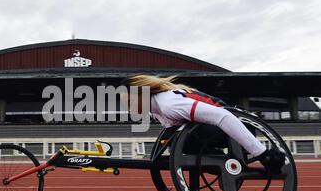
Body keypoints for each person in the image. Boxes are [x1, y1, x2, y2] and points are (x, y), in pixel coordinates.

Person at [121, 74, 285, 172]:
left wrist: (262, 154)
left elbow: (223, 117)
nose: (129, 110)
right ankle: (218, 162)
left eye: (129, 103)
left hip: (238, 125)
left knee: (186, 138)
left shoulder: (169, 104)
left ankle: (220, 164)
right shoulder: (156, 109)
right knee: (177, 140)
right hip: (216, 129)